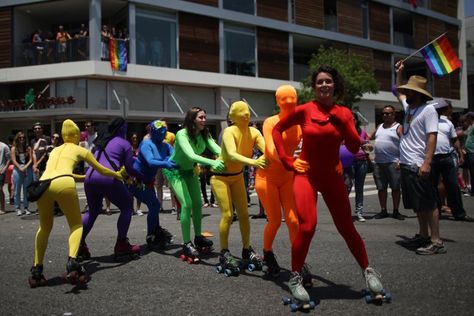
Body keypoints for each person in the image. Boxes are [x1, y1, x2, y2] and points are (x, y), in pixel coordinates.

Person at [272, 65, 385, 304]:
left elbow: (355, 147)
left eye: (328, 81)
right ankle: (295, 277)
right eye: (320, 82)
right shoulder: (304, 110)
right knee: (307, 226)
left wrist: (345, 122)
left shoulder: (344, 112)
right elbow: (277, 129)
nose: (324, 85)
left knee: (346, 227)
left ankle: (368, 271)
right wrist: (287, 160)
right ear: (314, 87)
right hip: (306, 175)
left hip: (332, 176)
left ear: (335, 85)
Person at [27, 119, 123, 288]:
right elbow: (100, 169)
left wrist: (82, 178)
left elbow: (58, 173)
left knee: (44, 228)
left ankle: (37, 270)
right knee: (76, 226)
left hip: (43, 185)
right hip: (64, 184)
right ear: (77, 135)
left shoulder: (55, 150)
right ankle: (73, 264)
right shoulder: (80, 149)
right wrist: (117, 174)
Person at [394, 61, 444, 255]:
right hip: (407, 164)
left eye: (411, 90)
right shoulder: (409, 109)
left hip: (418, 164)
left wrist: (427, 162)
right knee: (417, 204)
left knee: (429, 203)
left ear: (418, 93)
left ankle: (436, 240)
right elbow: (399, 92)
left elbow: (432, 136)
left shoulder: (428, 110)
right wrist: (400, 73)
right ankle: (423, 235)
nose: (407, 93)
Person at [210, 101, 267, 272]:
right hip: (220, 177)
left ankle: (246, 248)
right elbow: (232, 155)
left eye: (247, 111)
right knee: (228, 215)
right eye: (240, 111)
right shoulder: (229, 131)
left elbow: (268, 150)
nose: (246, 114)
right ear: (232, 117)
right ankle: (224, 252)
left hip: (236, 177)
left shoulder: (255, 132)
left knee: (244, 214)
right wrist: (254, 162)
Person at [163, 107, 224, 262]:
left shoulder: (204, 134)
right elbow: (191, 155)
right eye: (201, 117)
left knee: (198, 203)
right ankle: (186, 243)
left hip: (189, 171)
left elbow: (218, 149)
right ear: (192, 119)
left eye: (205, 117)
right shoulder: (181, 134)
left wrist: (232, 156)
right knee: (187, 204)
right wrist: (212, 162)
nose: (204, 120)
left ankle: (197, 237)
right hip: (175, 172)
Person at [254, 85, 301, 277]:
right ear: (277, 101)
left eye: (292, 98)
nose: (289, 102)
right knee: (274, 220)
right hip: (267, 178)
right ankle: (267, 252)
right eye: (284, 99)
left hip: (287, 177)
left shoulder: (300, 123)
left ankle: (299, 261)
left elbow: (314, 143)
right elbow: (272, 150)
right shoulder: (270, 122)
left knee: (293, 221)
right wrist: (291, 161)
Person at [79, 118, 141, 260]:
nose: (126, 130)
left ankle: (78, 243)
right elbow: (130, 167)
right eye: (125, 127)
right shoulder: (124, 143)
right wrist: (140, 176)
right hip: (107, 178)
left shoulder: (101, 142)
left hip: (89, 178)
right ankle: (121, 244)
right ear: (121, 128)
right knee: (126, 207)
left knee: (92, 212)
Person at [127, 120, 176, 250]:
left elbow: (174, 156)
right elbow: (150, 161)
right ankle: (151, 235)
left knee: (154, 206)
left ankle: (155, 231)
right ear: (152, 132)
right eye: (160, 131)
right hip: (136, 182)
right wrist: (166, 163)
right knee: (154, 205)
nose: (163, 132)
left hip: (148, 182)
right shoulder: (146, 144)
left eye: (164, 130)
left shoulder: (166, 146)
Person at [430, 99, 472, 222]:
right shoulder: (426, 121)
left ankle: (459, 213)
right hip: (432, 158)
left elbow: (454, 140)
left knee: (453, 185)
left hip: (447, 157)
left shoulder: (447, 122)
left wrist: (460, 154)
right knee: (433, 187)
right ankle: (435, 212)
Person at [369, 105, 404, 220]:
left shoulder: (398, 127)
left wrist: (401, 160)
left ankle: (395, 210)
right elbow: (369, 138)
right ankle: (383, 210)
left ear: (394, 114)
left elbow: (405, 144)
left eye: (388, 113)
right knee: (381, 188)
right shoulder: (379, 126)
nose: (385, 115)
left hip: (393, 162)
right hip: (378, 163)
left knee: (395, 187)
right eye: (383, 113)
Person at [351, 113, 370, 222]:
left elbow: (368, 145)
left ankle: (359, 212)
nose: (352, 121)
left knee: (359, 189)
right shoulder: (343, 131)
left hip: (361, 161)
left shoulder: (362, 132)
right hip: (348, 162)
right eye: (350, 119)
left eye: (354, 119)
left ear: (357, 121)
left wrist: (367, 145)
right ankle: (344, 213)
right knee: (346, 188)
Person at [11, 131, 34, 216]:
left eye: (23, 137)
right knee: (17, 189)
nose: (22, 139)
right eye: (20, 137)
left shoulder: (28, 148)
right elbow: (13, 160)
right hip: (17, 169)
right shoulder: (14, 148)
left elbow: (31, 159)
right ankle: (17, 208)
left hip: (27, 168)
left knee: (26, 189)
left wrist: (24, 167)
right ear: (17, 138)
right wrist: (20, 168)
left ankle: (26, 207)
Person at [129, 132, 143, 216]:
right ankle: (131, 209)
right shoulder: (128, 148)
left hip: (139, 171)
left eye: (136, 138)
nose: (135, 139)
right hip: (130, 172)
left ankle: (138, 209)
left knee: (139, 191)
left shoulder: (140, 148)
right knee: (130, 192)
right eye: (133, 138)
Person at [464, 112, 474, 196]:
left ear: (470, 117)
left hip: (472, 151)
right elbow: (465, 134)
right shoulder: (470, 126)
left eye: (467, 118)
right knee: (471, 171)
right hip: (469, 151)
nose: (466, 119)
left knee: (473, 172)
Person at [0, 140, 11, 215]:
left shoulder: (4, 146)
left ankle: (2, 208)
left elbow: (9, 158)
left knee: (0, 189)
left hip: (1, 170)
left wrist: (5, 168)